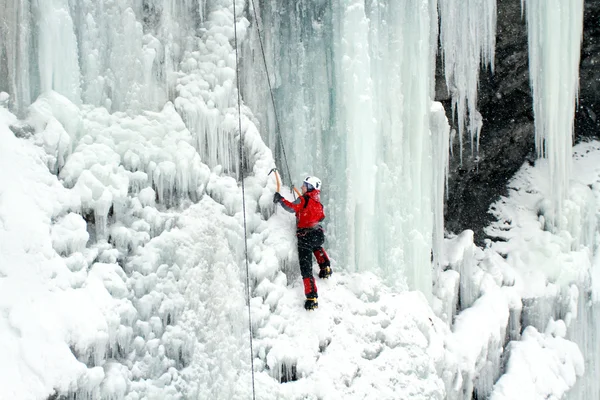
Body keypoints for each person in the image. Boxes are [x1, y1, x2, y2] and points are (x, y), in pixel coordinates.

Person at [273, 176, 332, 310]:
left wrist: (280, 199)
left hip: (305, 236)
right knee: (316, 247)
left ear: (310, 187)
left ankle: (312, 297)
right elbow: (321, 216)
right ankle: (325, 268)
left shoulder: (304, 199)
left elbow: (292, 208)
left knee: (306, 269)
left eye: (304, 185)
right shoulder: (318, 202)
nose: (302, 187)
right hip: (318, 233)